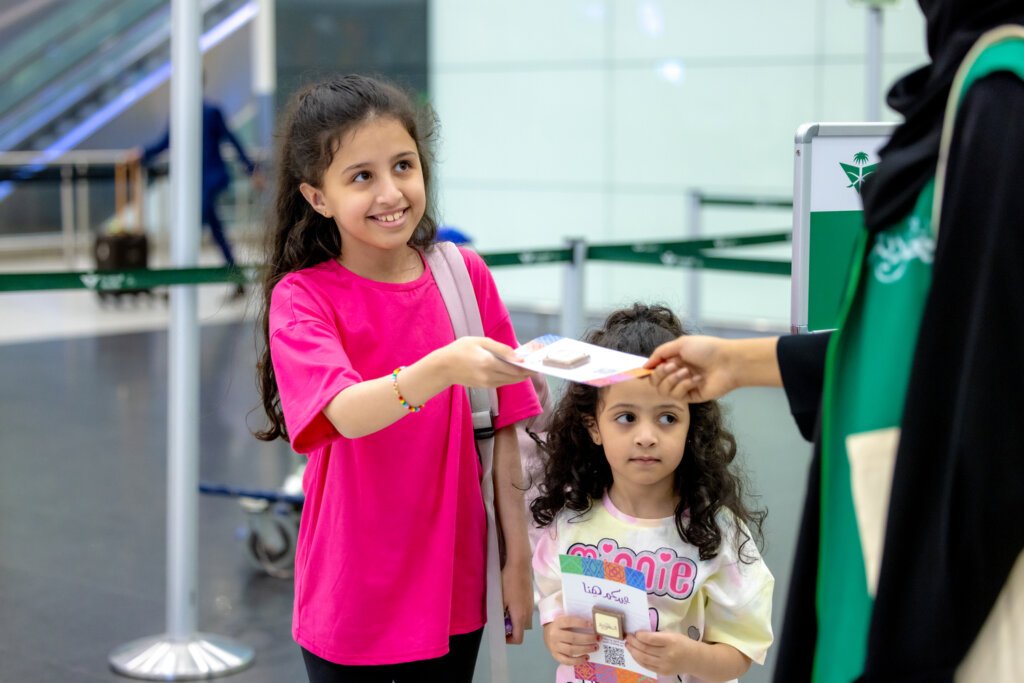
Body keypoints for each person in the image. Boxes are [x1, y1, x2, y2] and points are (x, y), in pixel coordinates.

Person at [645, 3, 1024, 681]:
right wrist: (736, 360)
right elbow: (921, 343)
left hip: (947, 583)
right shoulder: (972, 89)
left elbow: (995, 389)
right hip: (894, 542)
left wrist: (917, 637)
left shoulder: (1005, 100)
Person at [253, 74, 542, 683]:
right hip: (352, 592)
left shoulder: (464, 275)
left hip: (457, 583)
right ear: (318, 197)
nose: (391, 192)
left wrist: (517, 560)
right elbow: (343, 412)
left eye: (403, 166)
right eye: (361, 176)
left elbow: (507, 432)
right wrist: (443, 367)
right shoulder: (303, 297)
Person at [530, 304, 774, 683]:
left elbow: (742, 652)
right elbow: (555, 614)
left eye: (667, 418)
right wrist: (556, 637)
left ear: (691, 426)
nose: (646, 436)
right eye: (626, 417)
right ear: (594, 427)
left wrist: (689, 657)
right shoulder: (569, 521)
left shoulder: (718, 531)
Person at [140, 94, 263, 297]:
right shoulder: (180, 112)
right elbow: (166, 142)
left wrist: (251, 169)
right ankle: (235, 278)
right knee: (214, 230)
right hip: (194, 183)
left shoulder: (210, 112)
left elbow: (231, 139)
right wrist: (142, 154)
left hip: (211, 180)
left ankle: (178, 281)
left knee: (192, 225)